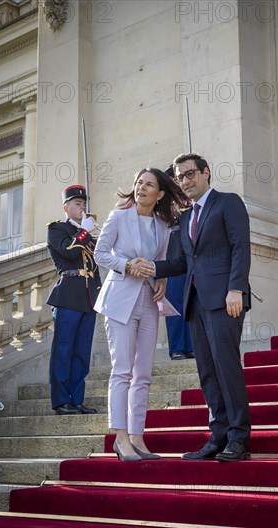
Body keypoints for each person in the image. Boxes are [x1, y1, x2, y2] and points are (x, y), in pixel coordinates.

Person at [136, 153, 252, 462]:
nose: (185, 181)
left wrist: (236, 288)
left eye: (190, 174)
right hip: (195, 303)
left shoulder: (228, 203)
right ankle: (218, 435)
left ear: (205, 173)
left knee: (227, 368)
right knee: (208, 373)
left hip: (225, 299)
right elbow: (182, 262)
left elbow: (241, 247)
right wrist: (150, 267)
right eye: (179, 177)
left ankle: (239, 439)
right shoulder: (186, 218)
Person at [93, 168, 184, 461]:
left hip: (149, 301)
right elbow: (100, 254)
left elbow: (162, 261)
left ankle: (138, 438)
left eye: (149, 185)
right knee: (122, 371)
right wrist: (127, 265)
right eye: (138, 183)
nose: (141, 188)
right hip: (120, 299)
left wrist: (163, 278)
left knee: (143, 374)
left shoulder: (163, 225)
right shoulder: (118, 217)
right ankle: (120, 439)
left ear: (159, 194)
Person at [47, 185, 101, 415]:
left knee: (81, 351)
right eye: (77, 204)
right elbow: (68, 251)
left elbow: (98, 262)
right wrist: (84, 233)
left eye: (84, 203)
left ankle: (77, 400)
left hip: (89, 297)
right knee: (64, 350)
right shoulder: (57, 229)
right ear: (66, 207)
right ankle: (61, 401)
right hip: (68, 294)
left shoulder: (87, 234)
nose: (82, 207)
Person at [164, 164, 194, 360]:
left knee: (192, 304)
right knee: (175, 305)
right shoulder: (166, 203)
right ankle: (177, 347)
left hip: (192, 259)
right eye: (176, 178)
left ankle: (191, 345)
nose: (180, 181)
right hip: (173, 259)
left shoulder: (193, 200)